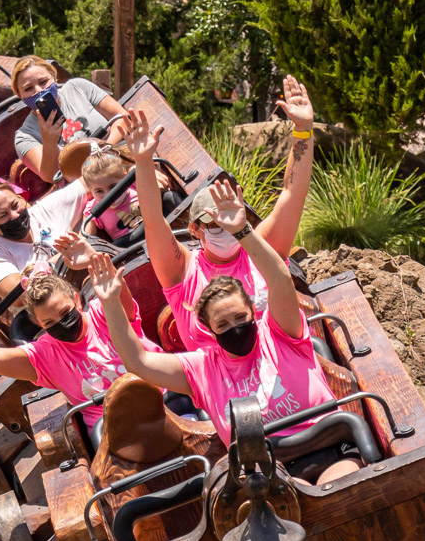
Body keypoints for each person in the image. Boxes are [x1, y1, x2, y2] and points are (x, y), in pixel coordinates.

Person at [94, 181, 359, 484]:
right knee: (288, 499)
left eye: (239, 317)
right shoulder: (202, 368)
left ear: (252, 312)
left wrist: (243, 231)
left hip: (331, 449)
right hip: (271, 474)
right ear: (209, 329)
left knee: (336, 490)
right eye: (223, 325)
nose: (235, 328)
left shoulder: (281, 333)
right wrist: (111, 302)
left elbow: (281, 281)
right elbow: (137, 361)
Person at [122, 76, 316, 351]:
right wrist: (143, 161)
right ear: (194, 230)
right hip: (219, 380)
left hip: (280, 361)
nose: (226, 229)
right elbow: (153, 222)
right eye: (215, 223)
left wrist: (303, 128)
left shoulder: (262, 249)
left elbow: (292, 193)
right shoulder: (182, 272)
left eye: (231, 220)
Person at [0, 270, 157, 435]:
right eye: (50, 322)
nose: (62, 323)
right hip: (116, 428)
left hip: (162, 394)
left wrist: (92, 260)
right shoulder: (45, 354)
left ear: (77, 300)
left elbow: (118, 291)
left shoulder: (103, 311)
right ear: (38, 324)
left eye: (65, 313)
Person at [11, 56, 127, 183]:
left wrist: (104, 151)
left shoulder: (78, 88)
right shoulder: (25, 136)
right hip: (87, 184)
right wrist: (49, 142)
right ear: (19, 95)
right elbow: (50, 176)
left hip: (119, 158)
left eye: (43, 82)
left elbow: (122, 118)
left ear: (54, 77)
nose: (39, 90)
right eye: (28, 89)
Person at [0, 177, 88, 298]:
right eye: (3, 215)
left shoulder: (42, 210)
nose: (15, 215)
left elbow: (91, 180)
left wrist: (88, 222)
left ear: (21, 199)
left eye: (15, 205)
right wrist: (73, 249)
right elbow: (21, 296)